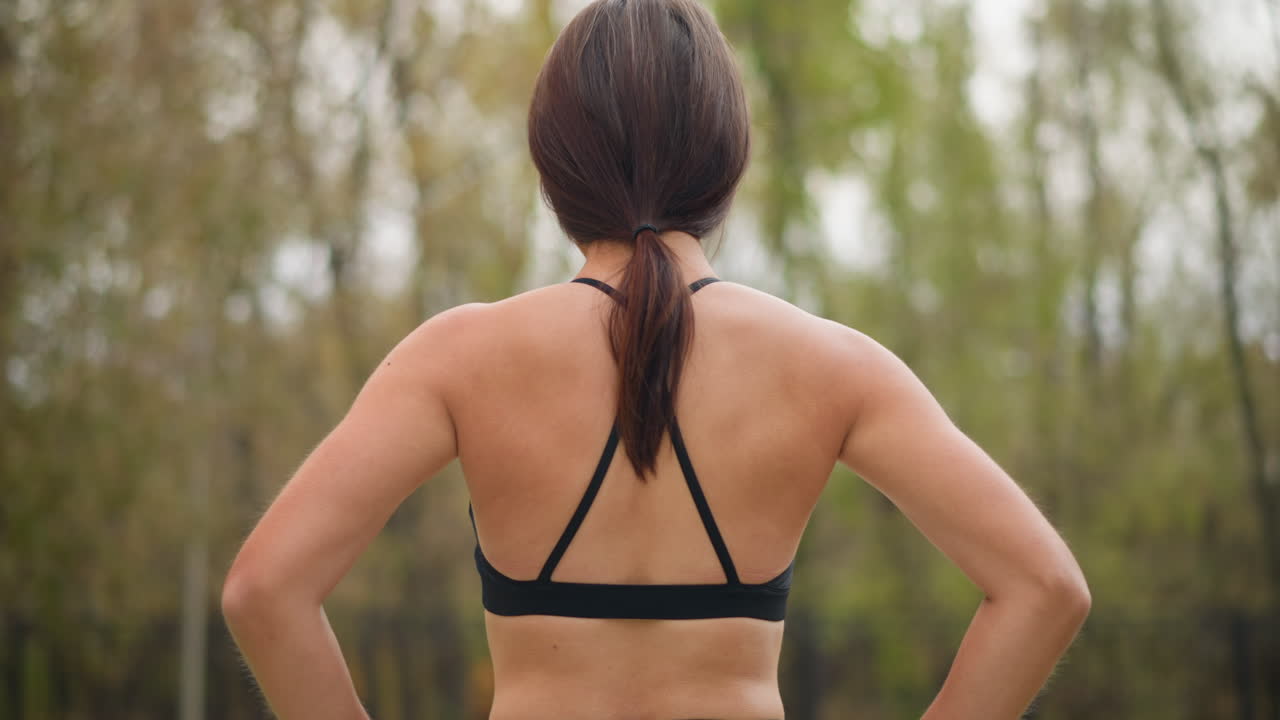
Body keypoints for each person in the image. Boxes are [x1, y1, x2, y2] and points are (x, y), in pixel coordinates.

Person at [220, 0, 1091, 718]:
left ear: (555, 166)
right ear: (726, 160)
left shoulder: (458, 359)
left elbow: (265, 590)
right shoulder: (834, 368)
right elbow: (1044, 587)